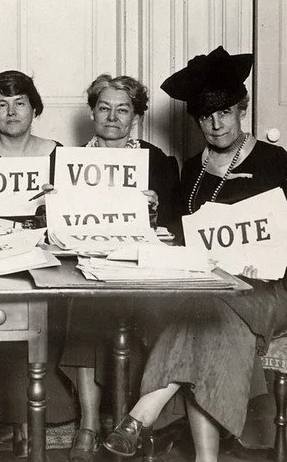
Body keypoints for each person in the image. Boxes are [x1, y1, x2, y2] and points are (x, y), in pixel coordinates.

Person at [102, 47, 287, 462]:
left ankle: (139, 417)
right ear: (198, 119)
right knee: (209, 317)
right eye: (205, 116)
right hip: (216, 288)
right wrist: (152, 214)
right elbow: (184, 232)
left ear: (241, 110)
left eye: (224, 113)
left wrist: (274, 257)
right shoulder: (192, 167)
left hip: (273, 287)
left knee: (205, 313)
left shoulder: (272, 159)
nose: (216, 124)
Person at [61, 74, 182, 462]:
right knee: (83, 310)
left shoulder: (158, 162)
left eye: (123, 110)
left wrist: (156, 207)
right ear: (92, 112)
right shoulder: (68, 162)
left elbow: (178, 229)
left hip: (140, 268)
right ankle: (88, 424)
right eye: (104, 108)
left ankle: (133, 421)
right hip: (87, 264)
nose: (112, 117)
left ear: (136, 117)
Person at [0, 70, 73, 456]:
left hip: (51, 257)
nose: (11, 112)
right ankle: (19, 416)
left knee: (49, 306)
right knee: (10, 309)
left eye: (20, 103)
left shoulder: (59, 154)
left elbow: (76, 218)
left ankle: (38, 411)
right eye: (1, 104)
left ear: (34, 108)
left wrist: (57, 205)